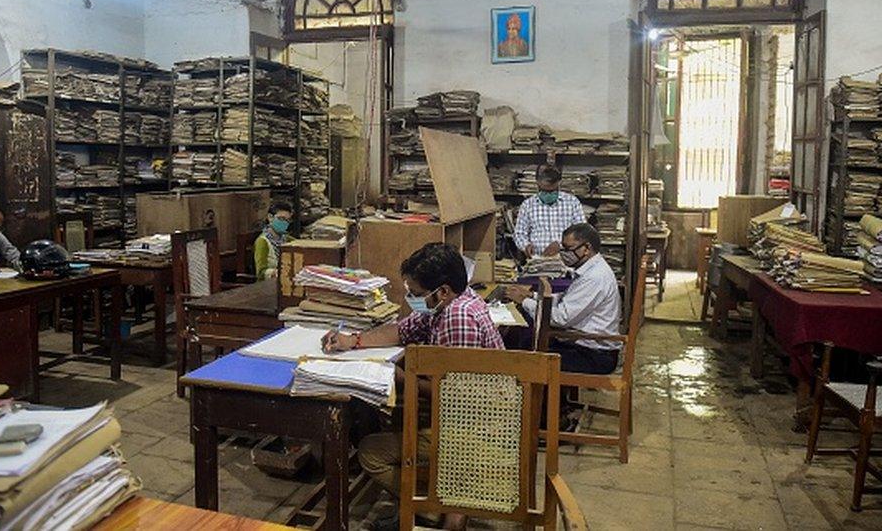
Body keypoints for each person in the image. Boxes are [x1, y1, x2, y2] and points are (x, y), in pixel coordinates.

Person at [322, 242, 503, 531]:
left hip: (474, 430)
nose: (411, 299)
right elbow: (401, 329)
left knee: (370, 451)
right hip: (463, 417)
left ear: (442, 291)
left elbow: (456, 396)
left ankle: (432, 506)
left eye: (417, 294)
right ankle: (436, 505)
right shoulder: (448, 303)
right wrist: (354, 341)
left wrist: (403, 378)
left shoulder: (459, 317)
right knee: (385, 421)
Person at [506, 223, 622, 375]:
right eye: (563, 248)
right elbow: (566, 300)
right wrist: (531, 295)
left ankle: (541, 397)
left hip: (595, 354)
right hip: (586, 344)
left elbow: (561, 318)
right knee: (525, 339)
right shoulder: (590, 268)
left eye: (569, 249)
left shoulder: (594, 277)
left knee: (525, 357)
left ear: (586, 249)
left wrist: (524, 302)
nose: (564, 254)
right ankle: (548, 398)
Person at [513, 164, 586, 258]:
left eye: (552, 191)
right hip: (538, 258)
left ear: (559, 183)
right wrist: (525, 246)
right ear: (537, 183)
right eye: (544, 191)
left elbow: (582, 233)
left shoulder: (572, 203)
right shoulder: (527, 205)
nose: (548, 194)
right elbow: (519, 234)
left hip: (566, 259)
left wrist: (561, 245)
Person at [254, 201, 293, 281]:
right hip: (268, 286)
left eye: (287, 220)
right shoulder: (262, 242)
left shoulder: (287, 239)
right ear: (270, 217)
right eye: (281, 219)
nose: (284, 223)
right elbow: (261, 273)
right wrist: (278, 272)